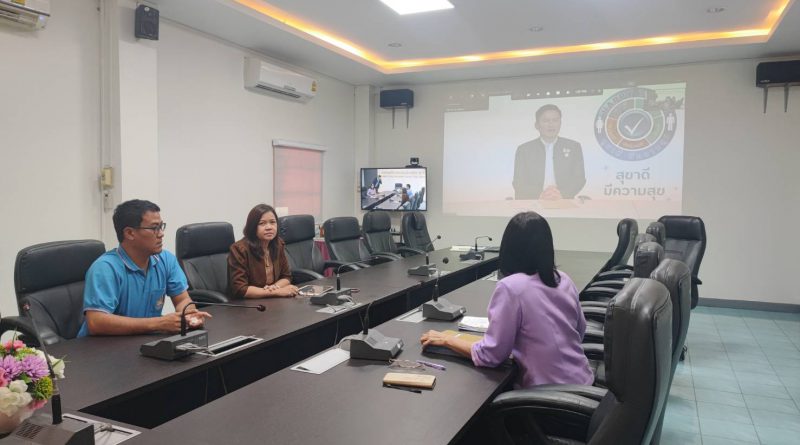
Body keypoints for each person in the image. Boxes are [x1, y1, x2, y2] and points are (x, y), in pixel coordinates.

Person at [420, 212, 593, 388]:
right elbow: (580, 330)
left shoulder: (511, 287)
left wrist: (446, 340)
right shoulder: (563, 278)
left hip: (551, 397)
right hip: (583, 384)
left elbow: (491, 356)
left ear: (509, 248)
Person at [78, 199, 211, 337]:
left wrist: (188, 315)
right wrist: (159, 323)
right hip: (101, 349)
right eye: (154, 228)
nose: (161, 233)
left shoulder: (166, 260)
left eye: (161, 226)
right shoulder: (105, 268)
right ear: (130, 233)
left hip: (143, 342)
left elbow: (183, 299)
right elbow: (96, 322)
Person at [512, 104, 586, 200]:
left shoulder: (574, 147)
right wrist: (541, 195)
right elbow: (518, 183)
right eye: (546, 121)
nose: (551, 125)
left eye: (555, 120)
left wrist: (561, 194)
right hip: (532, 202)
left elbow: (579, 179)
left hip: (563, 201)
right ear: (537, 125)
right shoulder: (524, 150)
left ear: (560, 123)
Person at [228, 204, 298, 299]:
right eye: (262, 223)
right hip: (247, 305)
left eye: (272, 222)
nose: (269, 227)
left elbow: (286, 276)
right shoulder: (239, 249)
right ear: (253, 227)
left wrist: (275, 287)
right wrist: (277, 292)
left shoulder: (278, 244)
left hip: (272, 301)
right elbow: (240, 289)